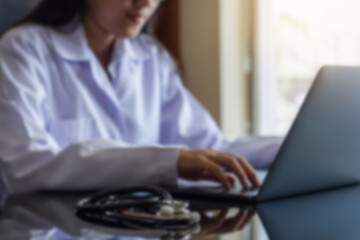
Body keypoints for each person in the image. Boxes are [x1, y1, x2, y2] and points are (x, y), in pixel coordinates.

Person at [0, 0, 281, 193]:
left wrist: (294, 148)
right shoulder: (22, 50)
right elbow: (29, 166)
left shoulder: (150, 56)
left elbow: (212, 148)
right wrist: (168, 161)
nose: (146, 1)